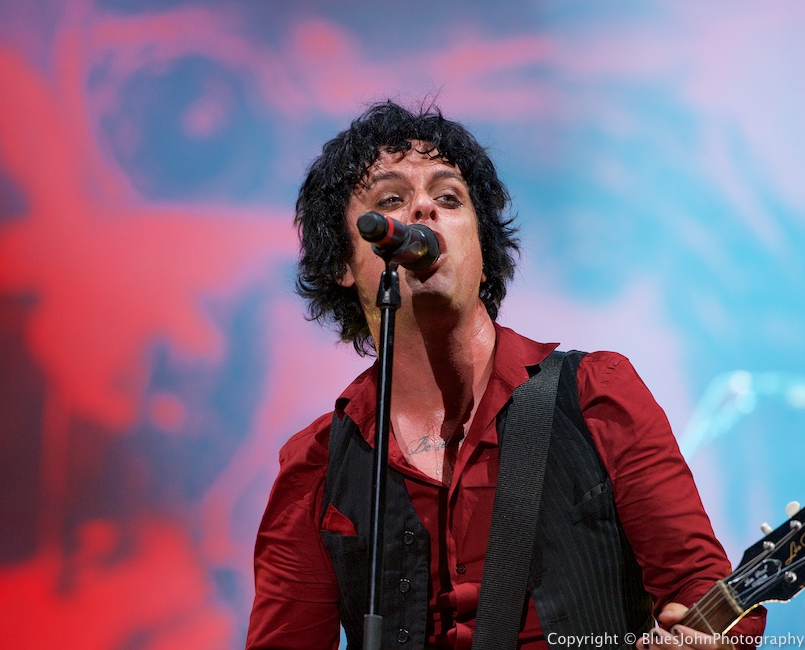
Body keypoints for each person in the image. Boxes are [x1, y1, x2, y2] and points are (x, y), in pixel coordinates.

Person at [246, 100, 766, 649]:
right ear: (345, 265)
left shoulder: (597, 396)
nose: (423, 209)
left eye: (448, 198)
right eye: (392, 199)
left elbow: (710, 592)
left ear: (484, 254)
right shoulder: (320, 463)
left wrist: (708, 638)